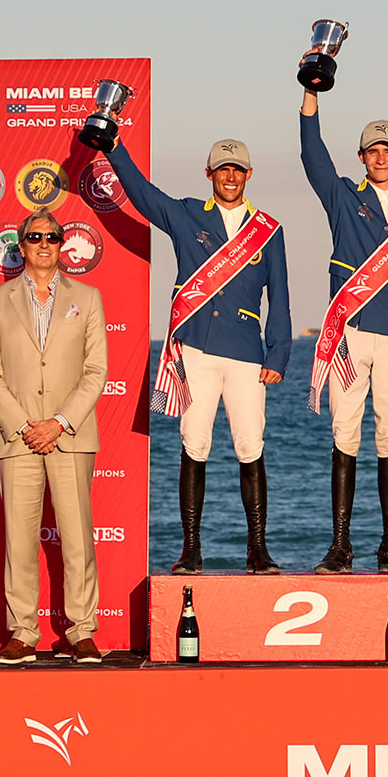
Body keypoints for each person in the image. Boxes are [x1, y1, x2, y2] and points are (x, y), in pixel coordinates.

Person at [104, 133, 290, 574]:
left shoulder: (268, 229)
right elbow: (143, 194)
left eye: (238, 169)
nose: (231, 176)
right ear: (209, 174)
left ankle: (258, 549)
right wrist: (113, 148)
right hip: (196, 349)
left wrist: (278, 354)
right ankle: (191, 549)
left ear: (249, 174)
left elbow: (279, 296)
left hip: (246, 352)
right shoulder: (187, 213)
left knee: (250, 445)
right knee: (195, 443)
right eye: (223, 169)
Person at [298, 80, 388, 575]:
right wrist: (311, 96)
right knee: (345, 433)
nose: (381, 158)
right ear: (362, 157)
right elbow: (312, 153)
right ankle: (341, 546)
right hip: (349, 333)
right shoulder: (341, 196)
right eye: (372, 151)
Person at [0, 209, 108, 664]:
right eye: (35, 238)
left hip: (71, 435)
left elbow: (96, 371)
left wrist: (59, 422)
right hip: (18, 439)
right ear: (22, 245)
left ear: (62, 243)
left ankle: (81, 630)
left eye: (52, 237)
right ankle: (22, 632)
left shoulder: (87, 298)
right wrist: (24, 425)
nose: (44, 244)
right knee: (19, 540)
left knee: (78, 539)